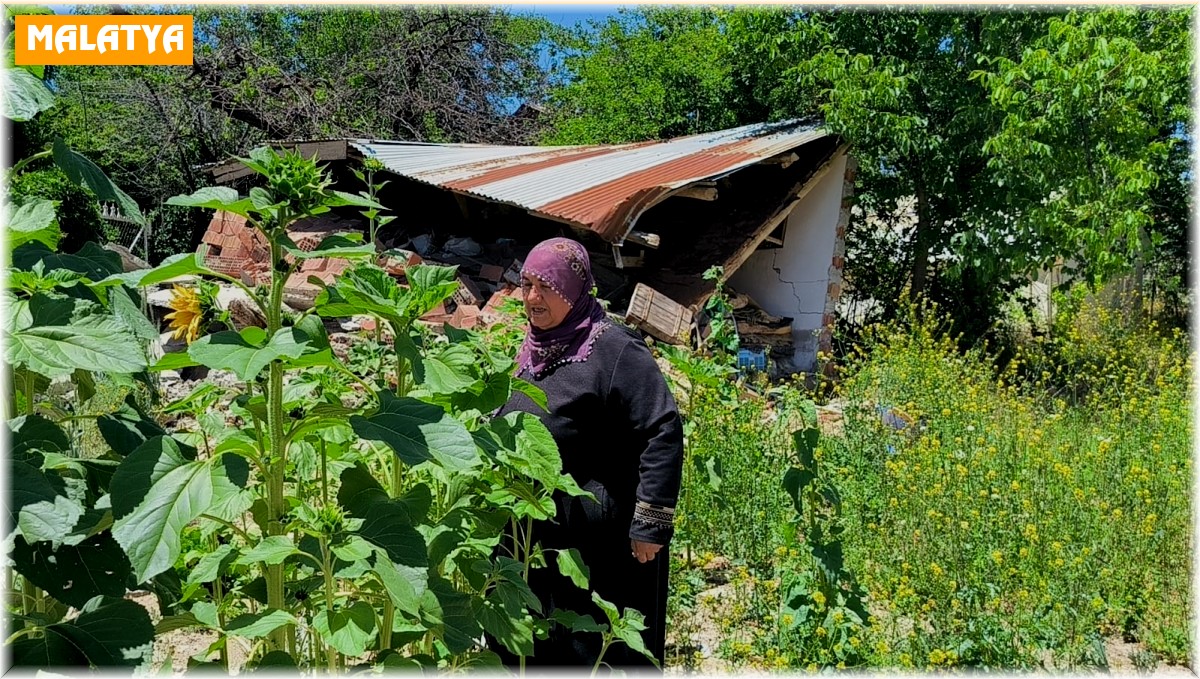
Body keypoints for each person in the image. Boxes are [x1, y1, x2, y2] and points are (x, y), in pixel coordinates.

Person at [494, 237, 684, 671]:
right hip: (536, 535)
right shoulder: (536, 348)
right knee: (542, 647)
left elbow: (663, 429)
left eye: (547, 286)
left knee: (596, 648)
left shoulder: (616, 351)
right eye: (526, 285)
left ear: (574, 290)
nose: (532, 298)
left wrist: (650, 524)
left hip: (601, 543)